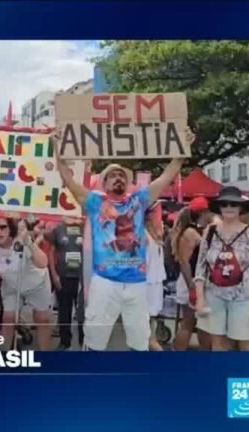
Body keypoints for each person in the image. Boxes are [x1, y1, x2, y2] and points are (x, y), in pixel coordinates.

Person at [55, 127, 193, 351]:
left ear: (128, 184)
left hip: (136, 283)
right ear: (104, 184)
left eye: (122, 176)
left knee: (139, 343)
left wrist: (181, 152)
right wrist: (58, 150)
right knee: (94, 341)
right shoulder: (94, 203)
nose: (118, 178)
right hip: (104, 282)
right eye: (112, 176)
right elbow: (67, 178)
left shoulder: (139, 200)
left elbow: (167, 176)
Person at [194, 186, 249, 351]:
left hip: (245, 298)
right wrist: (200, 298)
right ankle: (221, 376)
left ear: (241, 207)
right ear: (219, 207)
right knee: (218, 344)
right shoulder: (210, 231)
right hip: (214, 296)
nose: (229, 208)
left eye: (233, 204)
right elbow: (200, 268)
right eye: (224, 204)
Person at [0, 217, 51, 350]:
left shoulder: (21, 240)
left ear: (10, 228)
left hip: (37, 284)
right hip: (12, 285)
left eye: (3, 227)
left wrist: (29, 243)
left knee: (42, 320)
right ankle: (3, 357)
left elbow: (43, 263)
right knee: (8, 320)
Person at [171, 200, 213, 351]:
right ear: (204, 212)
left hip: (199, 281)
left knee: (203, 324)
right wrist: (191, 286)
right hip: (191, 281)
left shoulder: (201, 231)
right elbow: (184, 261)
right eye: (210, 211)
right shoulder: (190, 233)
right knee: (188, 323)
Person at [47, 216, 85, 350]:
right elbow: (51, 252)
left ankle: (84, 341)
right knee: (64, 310)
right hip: (63, 276)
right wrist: (54, 274)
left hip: (83, 277)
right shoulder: (58, 228)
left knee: (83, 310)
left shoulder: (87, 226)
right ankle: (64, 341)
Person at [144, 203, 167, 351]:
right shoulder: (142, 234)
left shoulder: (154, 234)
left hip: (156, 281)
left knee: (151, 318)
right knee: (143, 320)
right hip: (145, 282)